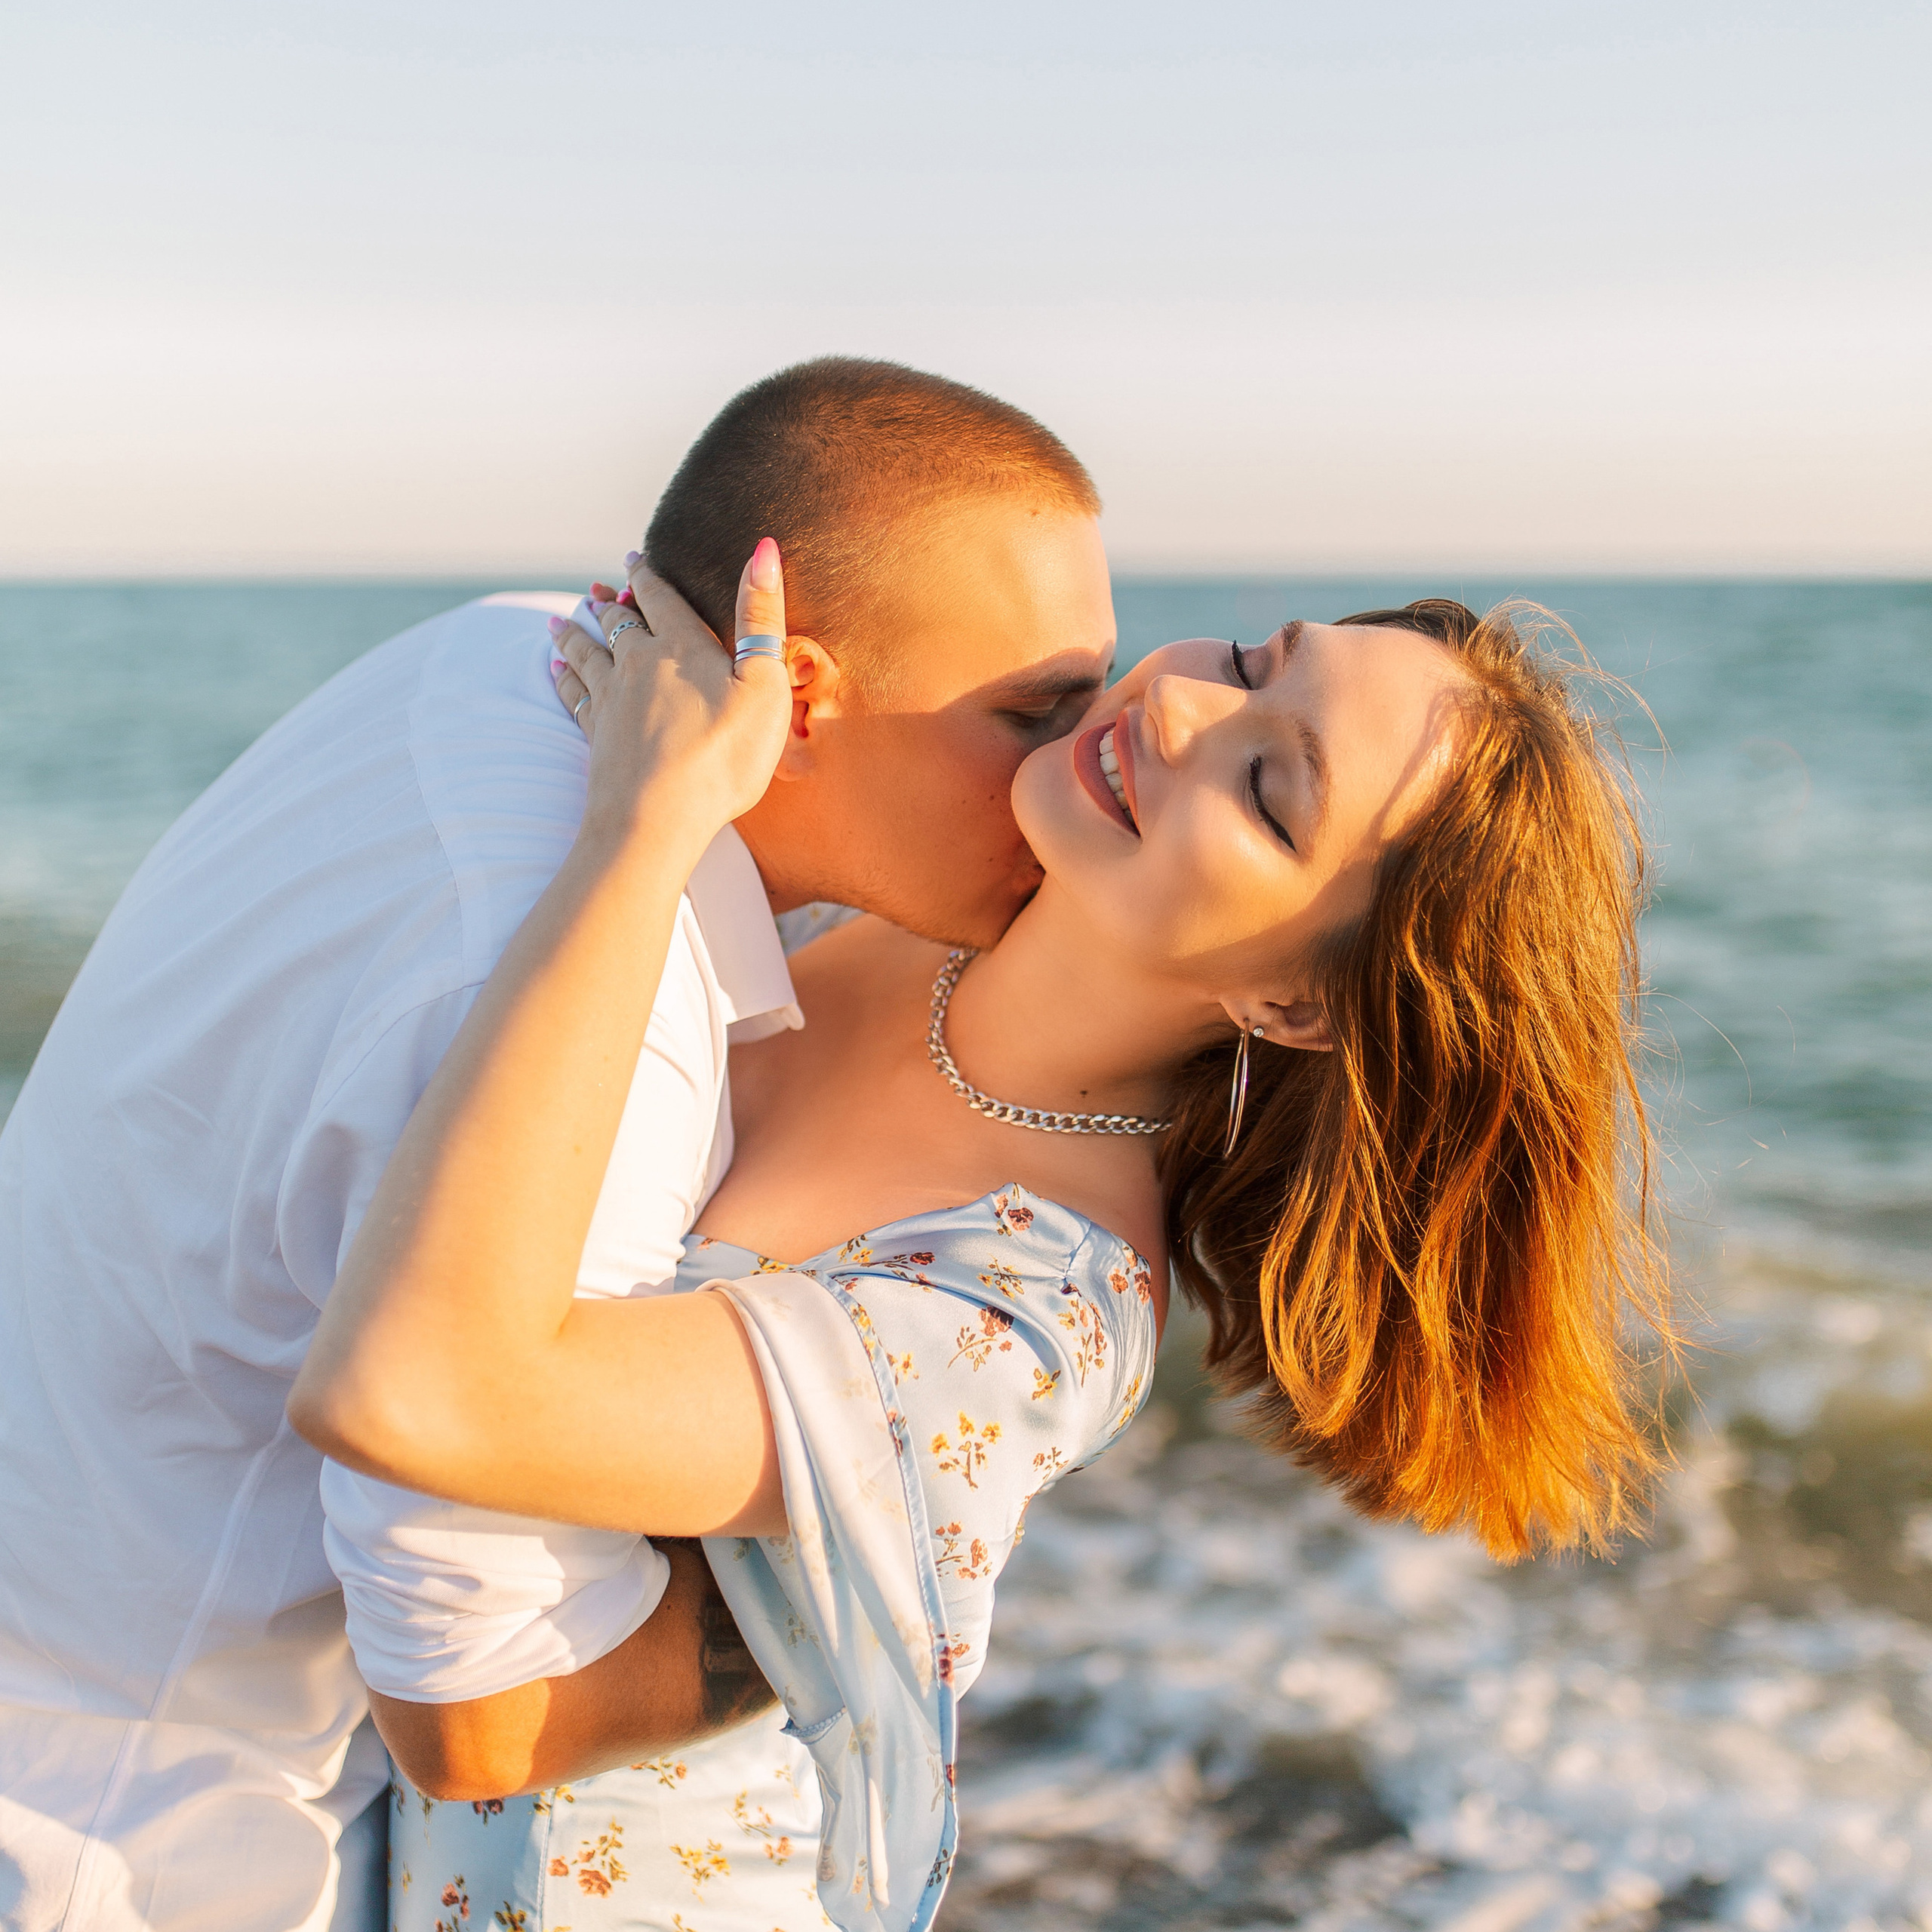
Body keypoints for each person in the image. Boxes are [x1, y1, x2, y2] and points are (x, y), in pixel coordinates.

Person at [291, 537, 1668, 1932]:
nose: (1181, 705)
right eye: (1255, 662)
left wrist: (639, 833)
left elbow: (415, 1404)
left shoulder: (1025, 1301)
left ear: (1295, 1004)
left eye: (1268, 791)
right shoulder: (891, 885)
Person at [0, 358, 1116, 1932]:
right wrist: (854, 1600)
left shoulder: (510, 650)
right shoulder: (598, 998)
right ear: (794, 695)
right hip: (134, 1844)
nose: (1074, 762)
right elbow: (472, 1706)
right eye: (1031, 712)